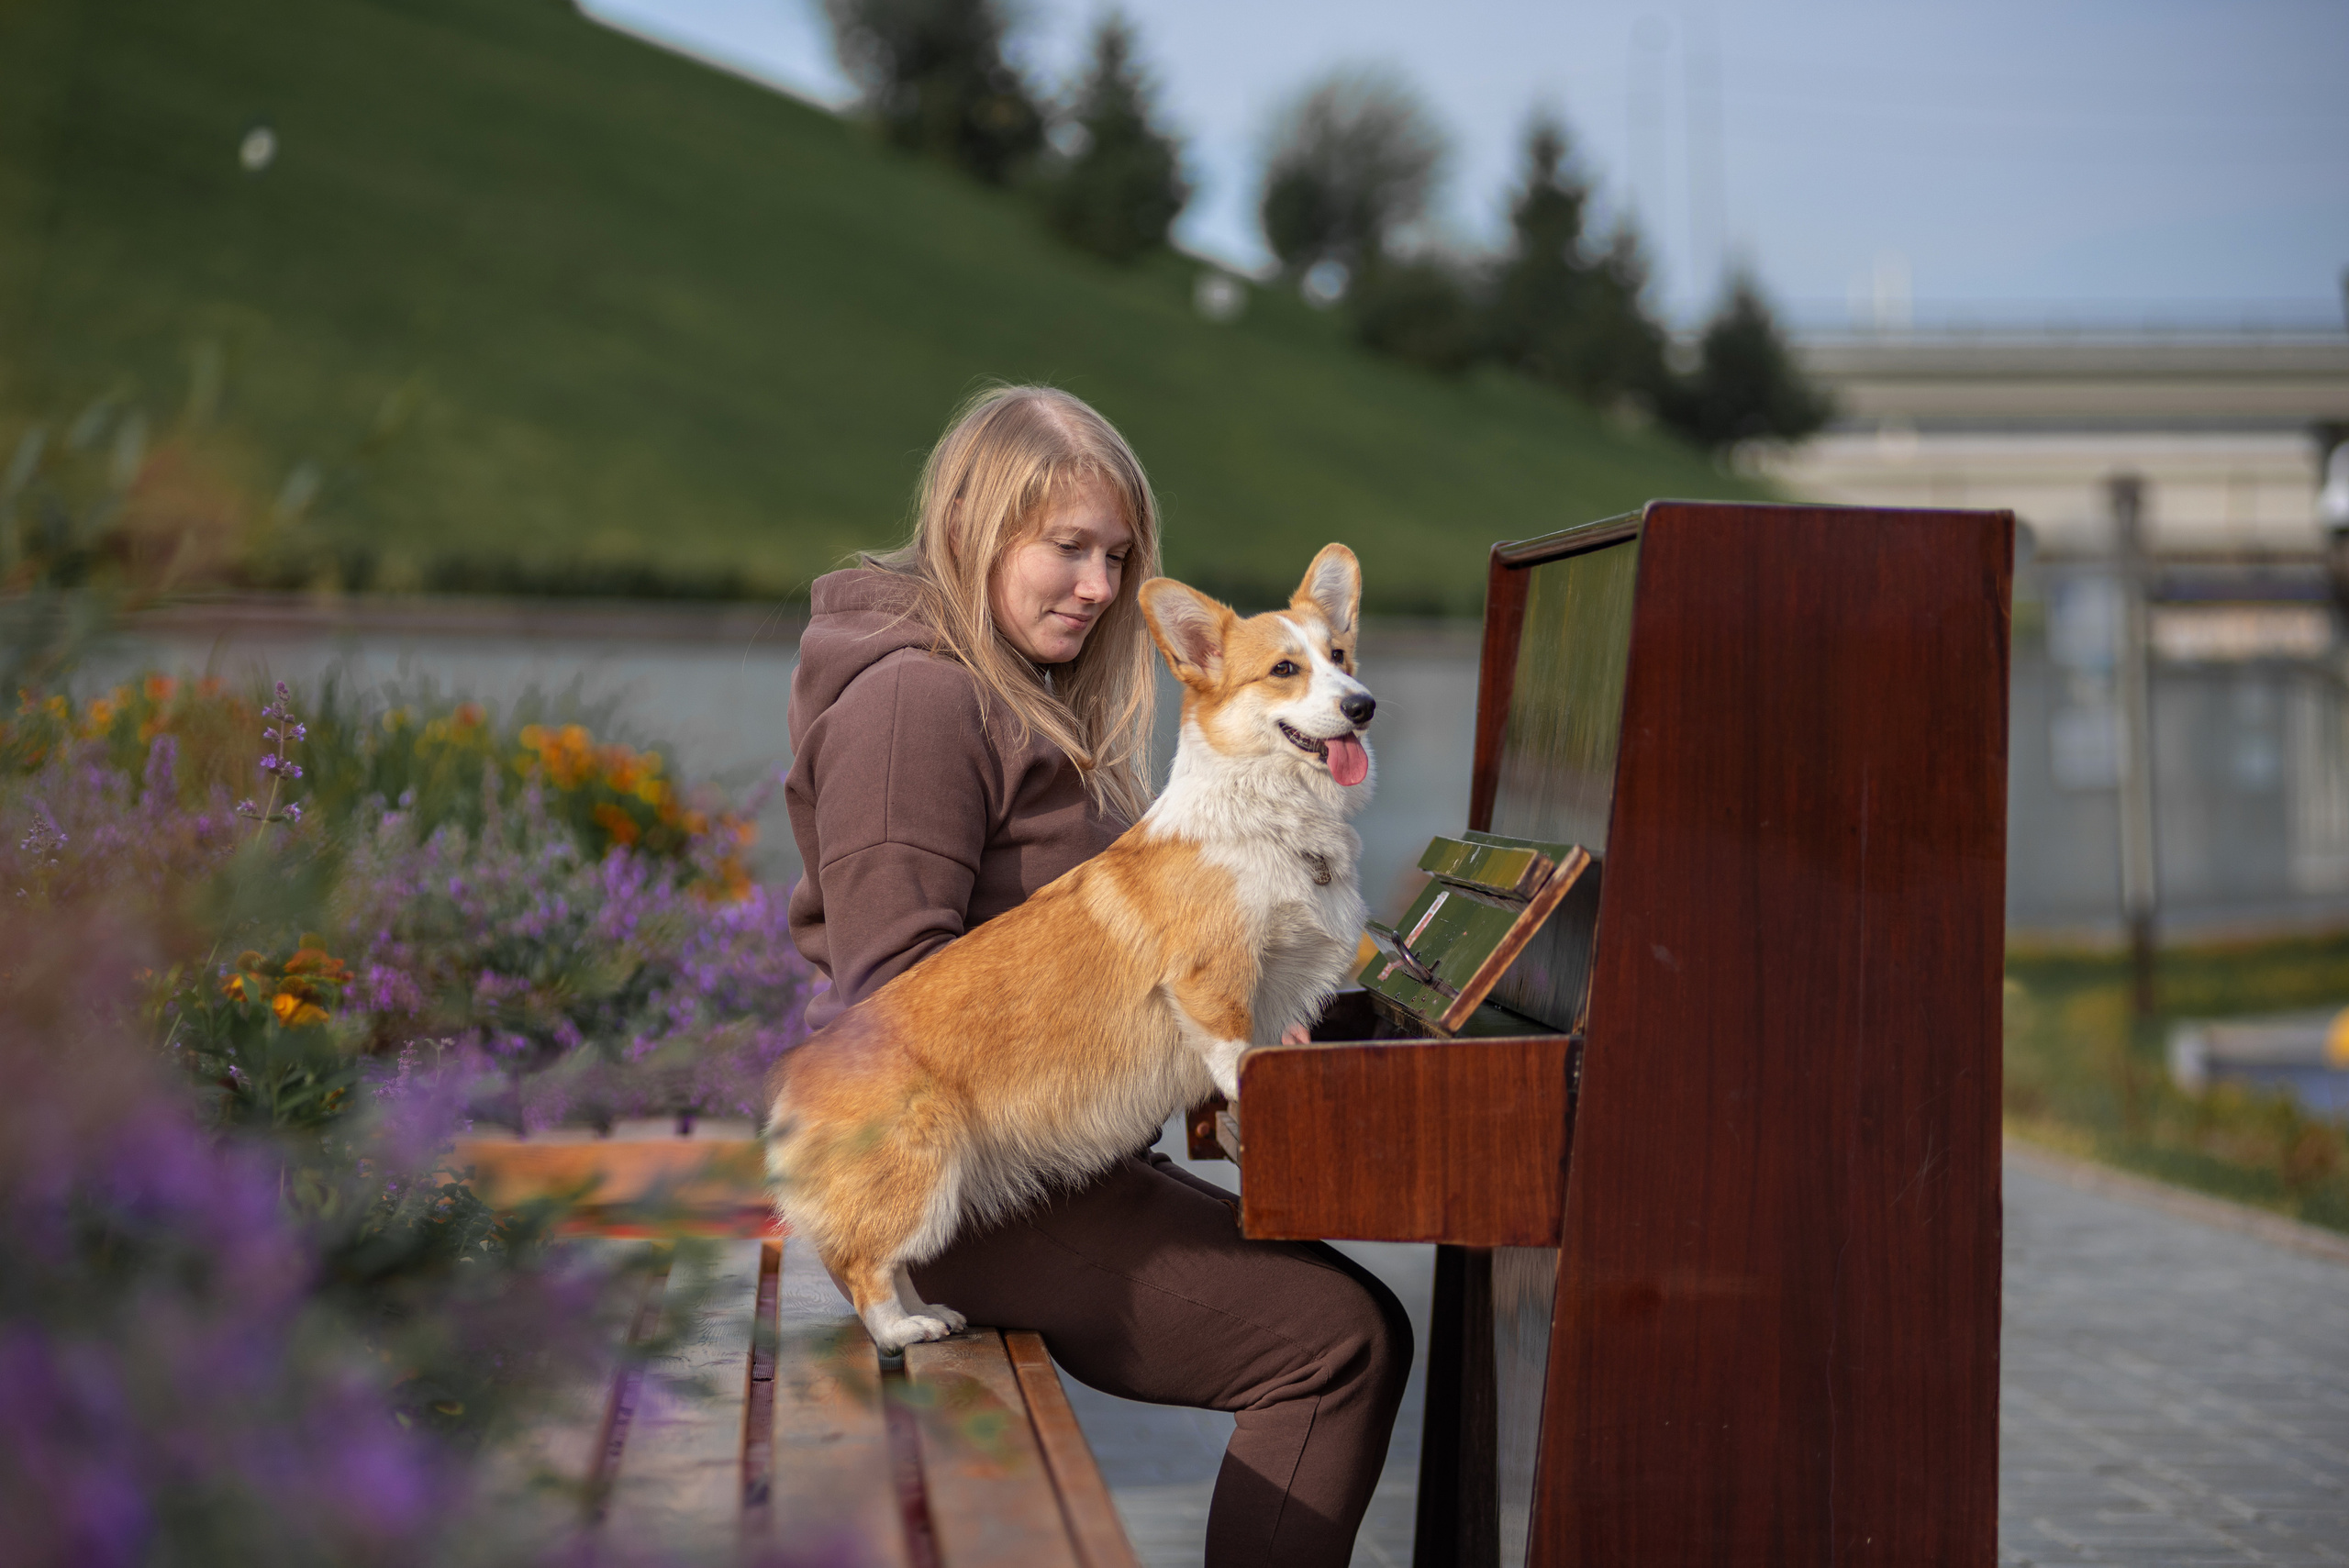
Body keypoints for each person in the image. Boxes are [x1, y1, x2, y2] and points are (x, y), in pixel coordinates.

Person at [783, 384, 1412, 1568]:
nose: (1099, 586)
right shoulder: (917, 704)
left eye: (1117, 554)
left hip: (1051, 1155)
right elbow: (895, 1002)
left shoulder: (1006, 687)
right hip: (962, 1187)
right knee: (1335, 1343)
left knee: (1354, 1317)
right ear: (974, 526)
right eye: (1066, 548)